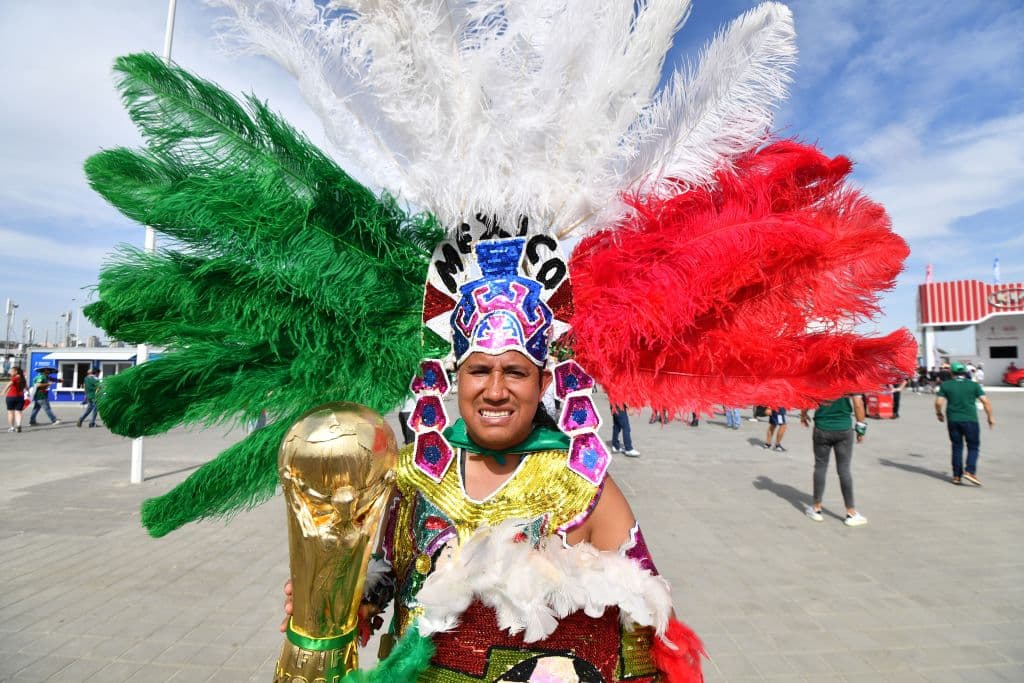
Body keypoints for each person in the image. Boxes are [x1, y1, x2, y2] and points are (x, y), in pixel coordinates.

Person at [800, 396, 869, 526]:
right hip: (843, 428)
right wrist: (861, 430)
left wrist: (803, 414)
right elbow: (858, 404)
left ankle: (816, 508)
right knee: (844, 469)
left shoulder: (817, 382)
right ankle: (851, 512)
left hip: (822, 428)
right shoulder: (850, 382)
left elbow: (808, 398)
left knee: (820, 466)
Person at [936, 361, 995, 486]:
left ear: (951, 372)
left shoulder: (946, 385)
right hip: (970, 420)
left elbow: (938, 403)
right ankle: (970, 471)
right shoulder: (974, 385)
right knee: (973, 446)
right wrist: (990, 417)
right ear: (964, 372)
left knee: (957, 446)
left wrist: (939, 414)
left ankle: (957, 476)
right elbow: (985, 402)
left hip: (953, 420)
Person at [4, 365, 27, 433]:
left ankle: (12, 428)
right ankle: (19, 425)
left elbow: (9, 384)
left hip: (11, 396)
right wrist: (28, 392)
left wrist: (4, 391)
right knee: (18, 412)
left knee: (10, 412)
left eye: (11, 371)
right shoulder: (23, 378)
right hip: (20, 397)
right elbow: (26, 387)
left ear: (16, 371)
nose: (10, 372)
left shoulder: (15, 378)